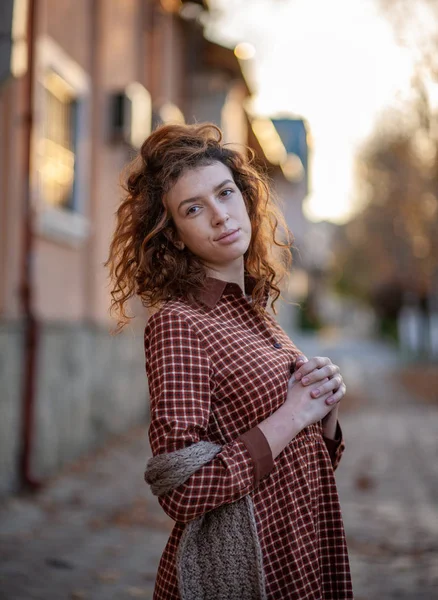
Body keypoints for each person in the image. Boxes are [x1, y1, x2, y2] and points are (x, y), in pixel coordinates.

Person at [105, 122, 353, 599]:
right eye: (193, 208)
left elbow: (303, 461)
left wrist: (323, 406)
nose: (219, 215)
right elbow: (182, 489)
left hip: (300, 545)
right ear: (174, 235)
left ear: (245, 197)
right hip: (246, 564)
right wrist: (294, 411)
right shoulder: (180, 323)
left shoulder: (257, 312)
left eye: (225, 193)